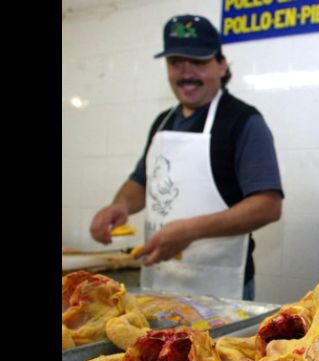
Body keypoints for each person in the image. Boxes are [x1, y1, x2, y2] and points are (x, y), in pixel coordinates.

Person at [90, 14, 283, 301]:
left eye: (199, 62)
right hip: (158, 280)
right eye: (175, 62)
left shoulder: (243, 121)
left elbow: (268, 206)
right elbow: (142, 182)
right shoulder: (162, 122)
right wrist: (120, 205)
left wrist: (190, 231)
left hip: (220, 289)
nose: (186, 72)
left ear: (221, 64)